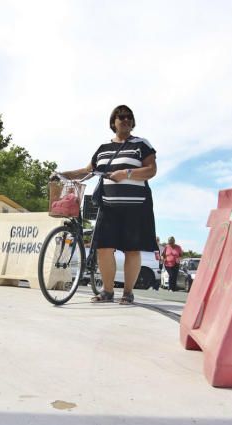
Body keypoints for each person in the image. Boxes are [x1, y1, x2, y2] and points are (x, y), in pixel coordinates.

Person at [58, 104, 158, 304]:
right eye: (121, 117)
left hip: (136, 207)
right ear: (113, 122)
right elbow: (88, 171)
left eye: (129, 117)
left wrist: (127, 173)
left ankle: (128, 292)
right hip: (109, 207)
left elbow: (151, 170)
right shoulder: (103, 148)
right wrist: (63, 174)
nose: (126, 120)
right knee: (104, 248)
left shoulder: (141, 144)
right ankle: (108, 291)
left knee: (132, 249)